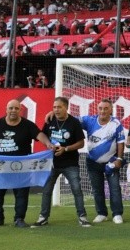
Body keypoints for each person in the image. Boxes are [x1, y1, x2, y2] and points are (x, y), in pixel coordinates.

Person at [0, 99, 54, 228]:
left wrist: (48, 144)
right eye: (11, 108)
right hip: (0, 166)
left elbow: (39, 135)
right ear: (6, 109)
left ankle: (19, 218)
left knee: (21, 193)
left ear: (20, 110)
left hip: (21, 167)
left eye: (16, 108)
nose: (13, 111)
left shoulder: (28, 125)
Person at [33, 97, 91, 227]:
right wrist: (49, 145)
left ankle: (82, 217)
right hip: (52, 163)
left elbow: (81, 143)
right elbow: (43, 136)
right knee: (47, 190)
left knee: (77, 189)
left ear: (66, 107)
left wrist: (66, 149)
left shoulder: (74, 122)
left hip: (70, 163)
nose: (56, 110)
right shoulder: (50, 120)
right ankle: (43, 217)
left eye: (59, 107)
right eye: (54, 107)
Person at [80, 99, 126, 224]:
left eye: (106, 108)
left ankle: (117, 214)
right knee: (97, 189)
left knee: (115, 188)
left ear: (111, 110)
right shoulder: (89, 121)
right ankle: (101, 213)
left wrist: (119, 159)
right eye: (100, 108)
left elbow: (120, 143)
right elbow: (71, 120)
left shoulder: (116, 123)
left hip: (111, 162)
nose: (103, 111)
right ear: (97, 109)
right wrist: (51, 114)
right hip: (92, 162)